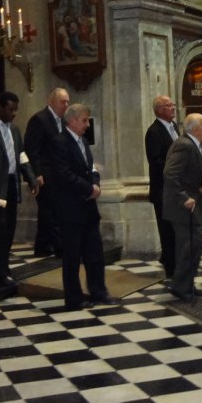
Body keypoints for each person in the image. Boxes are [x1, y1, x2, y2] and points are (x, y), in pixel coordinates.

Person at [50, 103, 118, 311]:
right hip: (71, 209)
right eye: (84, 120)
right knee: (72, 257)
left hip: (88, 209)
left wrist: (95, 182)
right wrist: (89, 188)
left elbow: (91, 167)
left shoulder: (83, 141)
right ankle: (74, 298)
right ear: (72, 121)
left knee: (95, 253)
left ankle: (99, 291)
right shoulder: (59, 142)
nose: (87, 125)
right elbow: (63, 174)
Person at [0, 91, 39, 291]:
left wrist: (31, 178)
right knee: (0, 231)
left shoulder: (15, 130)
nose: (14, 113)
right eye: (11, 109)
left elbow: (21, 156)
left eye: (15, 110)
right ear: (0, 108)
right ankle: (1, 272)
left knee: (9, 229)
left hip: (12, 184)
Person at [163, 113, 202, 302]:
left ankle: (185, 284)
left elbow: (186, 174)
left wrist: (200, 186)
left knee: (193, 243)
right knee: (190, 244)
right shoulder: (185, 145)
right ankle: (180, 286)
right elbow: (170, 173)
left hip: (190, 202)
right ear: (196, 128)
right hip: (182, 205)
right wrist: (184, 197)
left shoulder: (192, 145)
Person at [23, 88, 69, 257]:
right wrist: (36, 174)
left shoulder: (63, 121)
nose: (66, 105)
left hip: (59, 173)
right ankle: (59, 247)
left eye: (67, 101)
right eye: (63, 102)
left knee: (50, 211)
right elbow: (31, 149)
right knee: (50, 210)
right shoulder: (39, 119)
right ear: (52, 102)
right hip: (45, 173)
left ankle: (42, 246)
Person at [145, 95, 180, 278]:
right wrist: (177, 164)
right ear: (159, 110)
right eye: (169, 105)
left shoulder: (174, 127)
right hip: (163, 190)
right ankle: (171, 270)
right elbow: (156, 161)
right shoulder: (154, 132)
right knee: (167, 231)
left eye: (173, 104)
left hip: (176, 189)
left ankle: (173, 261)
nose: (173, 107)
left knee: (176, 230)